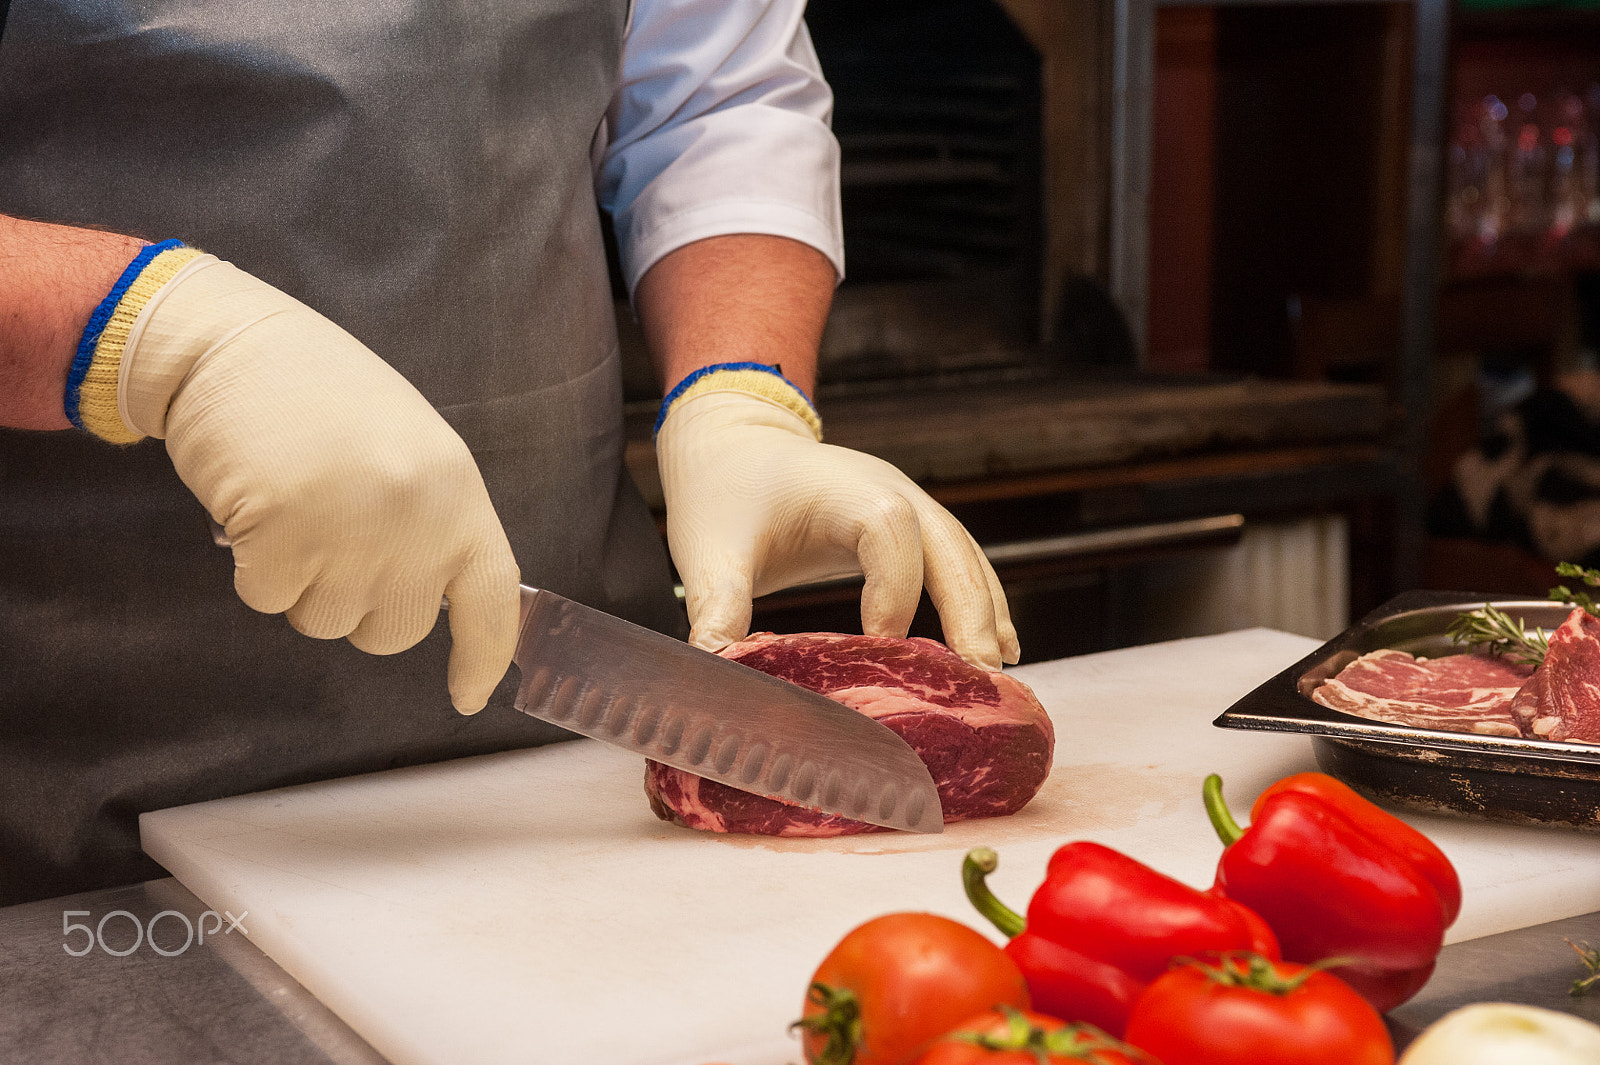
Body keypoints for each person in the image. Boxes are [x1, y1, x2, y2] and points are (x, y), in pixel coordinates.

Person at [0, 0, 1017, 905]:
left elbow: (717, 104)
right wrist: (147, 338)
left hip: (556, 787)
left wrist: (739, 397)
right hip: (79, 768)